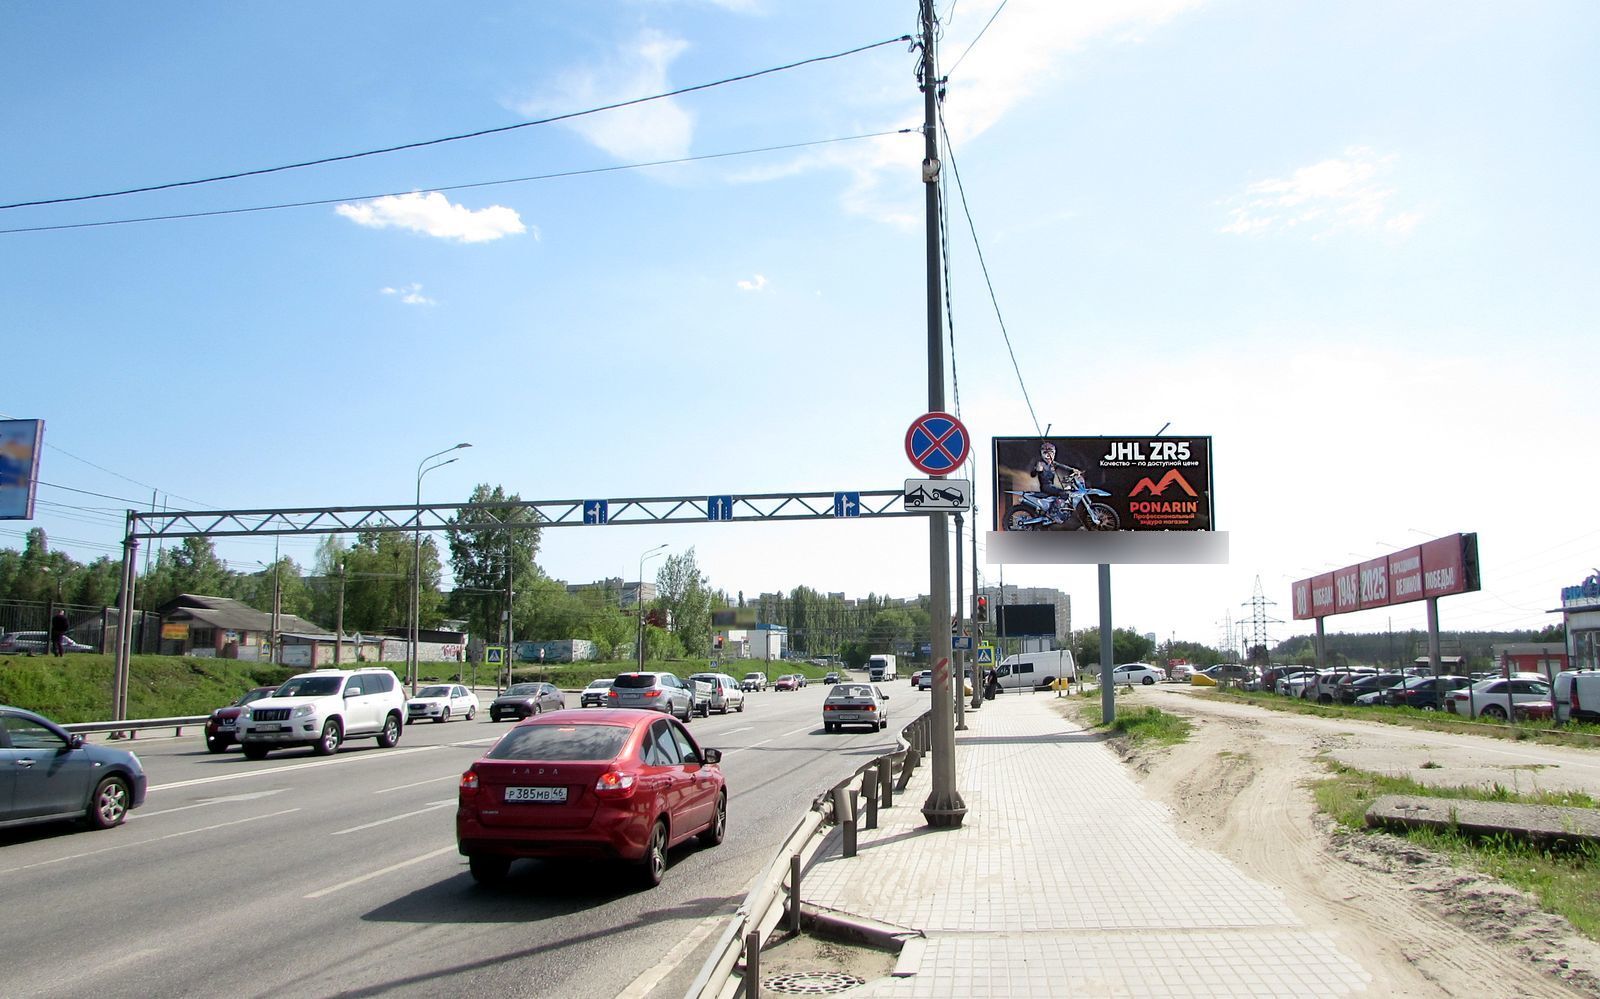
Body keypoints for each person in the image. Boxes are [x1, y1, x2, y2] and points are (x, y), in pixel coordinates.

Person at [1029, 442, 1083, 520]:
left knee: (1066, 491)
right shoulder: (1040, 464)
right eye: (1045, 453)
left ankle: (1058, 510)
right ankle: (1052, 513)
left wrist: (1073, 470)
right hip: (1046, 487)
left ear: (1054, 453)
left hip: (1051, 486)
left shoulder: (1053, 464)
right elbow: (1032, 475)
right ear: (1042, 454)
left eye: (1050, 453)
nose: (1048, 455)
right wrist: (1036, 470)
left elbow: (1063, 466)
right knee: (1064, 494)